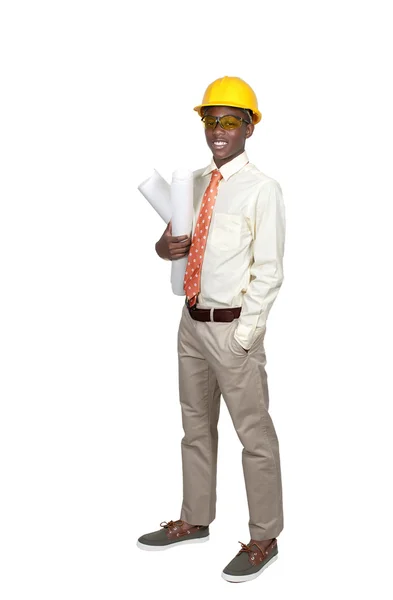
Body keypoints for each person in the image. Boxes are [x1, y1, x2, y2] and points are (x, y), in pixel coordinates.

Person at [137, 76, 286, 583]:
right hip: (191, 326)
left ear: (249, 127)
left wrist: (245, 336)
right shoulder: (195, 182)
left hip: (232, 332)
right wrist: (165, 250)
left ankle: (264, 537)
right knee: (194, 429)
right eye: (210, 120)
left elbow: (268, 270)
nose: (218, 130)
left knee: (255, 437)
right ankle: (194, 519)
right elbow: (170, 242)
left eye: (229, 121)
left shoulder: (262, 189)